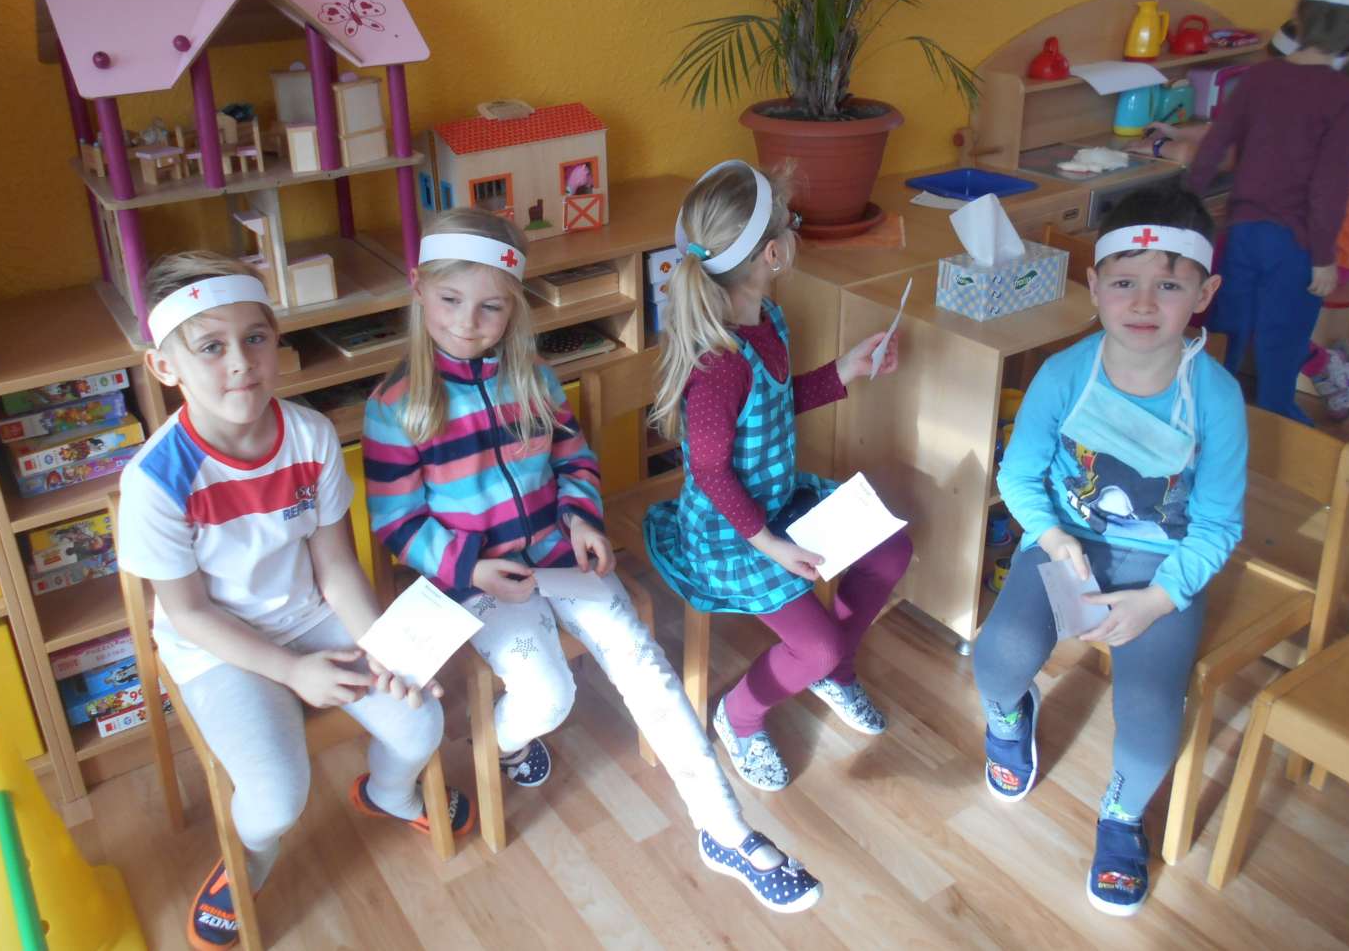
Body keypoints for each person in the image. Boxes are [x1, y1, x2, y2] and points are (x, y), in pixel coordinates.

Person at [363, 209, 822, 913]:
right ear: (418, 287)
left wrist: (581, 517)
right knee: (548, 697)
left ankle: (725, 831)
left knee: (648, 667)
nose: (467, 323)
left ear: (513, 307)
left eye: (490, 307)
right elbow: (398, 520)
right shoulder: (395, 407)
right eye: (450, 300)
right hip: (480, 584)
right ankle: (501, 743)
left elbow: (573, 459)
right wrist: (471, 568)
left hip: (558, 557)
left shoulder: (535, 377)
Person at [117, 252, 472, 951]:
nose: (240, 362)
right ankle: (250, 854)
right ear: (164, 366)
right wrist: (290, 671)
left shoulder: (309, 435)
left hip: (309, 615)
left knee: (419, 722)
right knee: (277, 798)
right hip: (219, 647)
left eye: (255, 337)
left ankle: (388, 793)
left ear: (276, 341)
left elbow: (336, 565)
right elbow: (190, 614)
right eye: (211, 347)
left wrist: (386, 649)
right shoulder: (155, 480)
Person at [974, 184, 1247, 918]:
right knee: (996, 659)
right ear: (1094, 286)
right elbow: (1018, 475)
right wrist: (1055, 538)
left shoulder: (1216, 397)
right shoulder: (1066, 373)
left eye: (1169, 286)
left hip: (1162, 569)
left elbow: (1217, 525)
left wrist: (1159, 599)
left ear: (1204, 294)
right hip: (1067, 544)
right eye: (1125, 283)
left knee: (1152, 718)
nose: (1144, 303)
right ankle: (1010, 720)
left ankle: (1122, 817)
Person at [643, 160, 914, 793]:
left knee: (890, 550)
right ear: (773, 253)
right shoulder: (720, 364)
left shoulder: (768, 319)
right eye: (792, 223)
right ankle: (740, 717)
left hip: (778, 501)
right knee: (815, 647)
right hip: (732, 535)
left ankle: (833, 671)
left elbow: (774, 404)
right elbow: (709, 471)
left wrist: (843, 371)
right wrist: (770, 544)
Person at [1127, 22, 1349, 421]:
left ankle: (1312, 370)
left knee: (1254, 318)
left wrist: (1162, 147)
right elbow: (1224, 134)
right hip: (1276, 236)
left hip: (1325, 249)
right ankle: (1215, 393)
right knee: (1223, 298)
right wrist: (1177, 137)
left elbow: (1229, 154)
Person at [1187, 0, 1349, 422]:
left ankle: (1213, 429)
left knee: (1227, 340)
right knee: (1280, 354)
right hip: (1297, 248)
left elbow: (1214, 147)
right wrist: (1323, 257)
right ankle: (1282, 441)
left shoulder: (1259, 76)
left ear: (1301, 13)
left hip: (1244, 234)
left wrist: (1187, 206)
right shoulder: (1344, 95)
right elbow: (1329, 185)